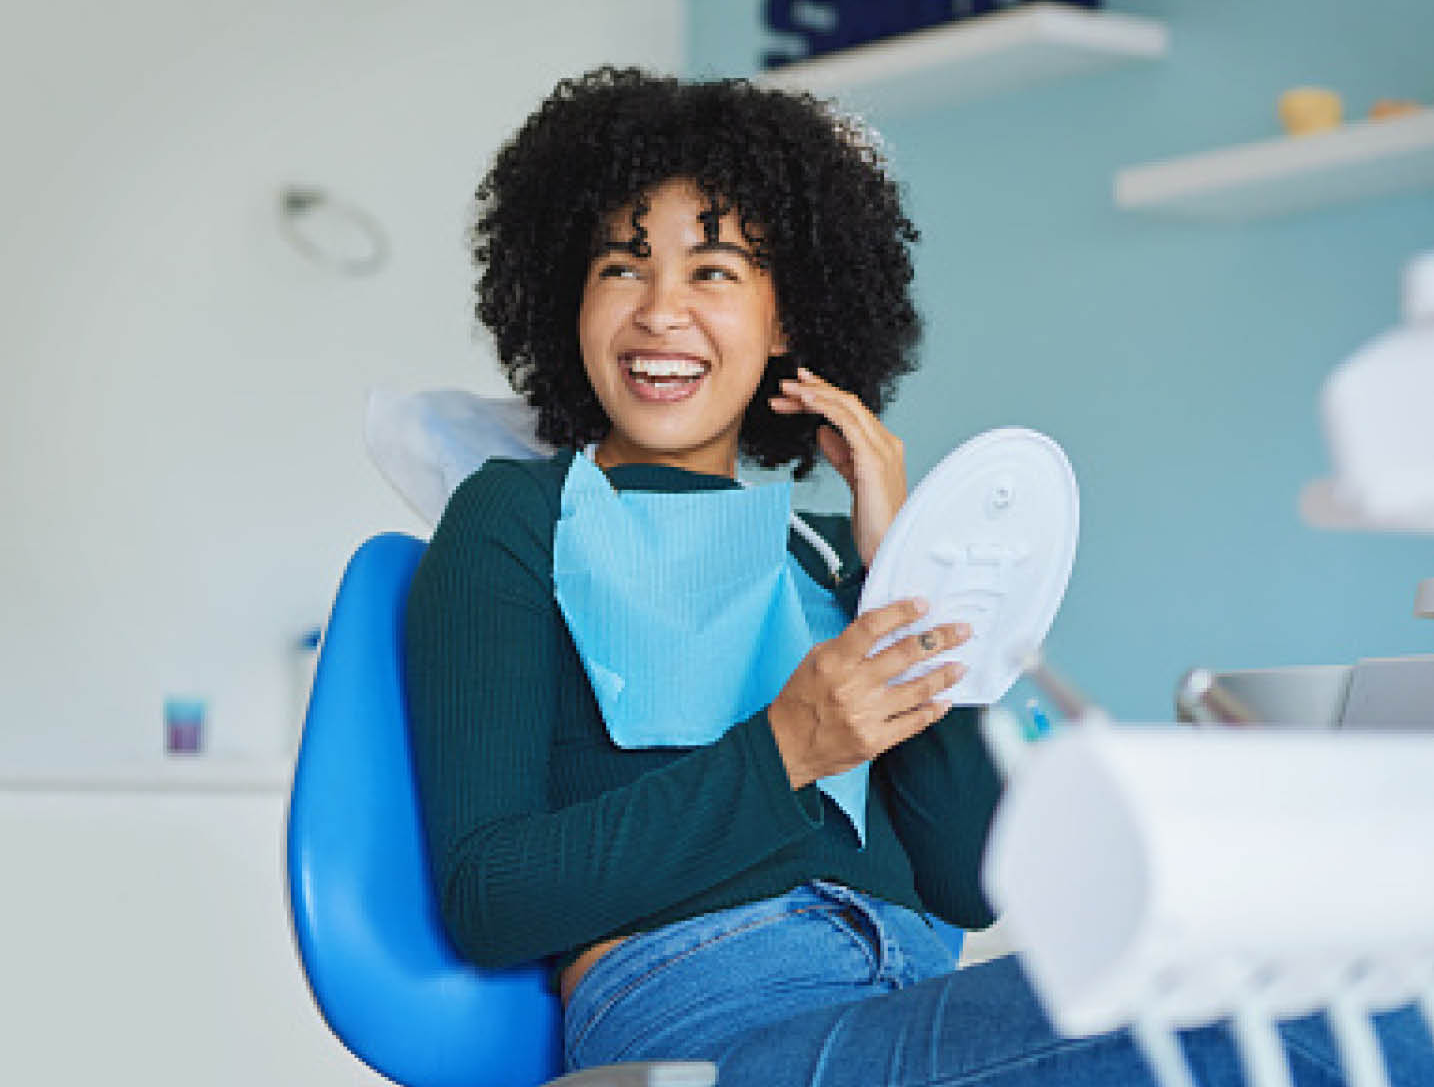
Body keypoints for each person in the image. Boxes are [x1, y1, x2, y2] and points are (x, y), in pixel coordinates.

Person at [403, 67, 1430, 1087]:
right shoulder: (518, 517)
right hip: (709, 1015)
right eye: (621, 268)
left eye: (714, 272)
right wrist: (785, 747)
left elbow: (968, 878)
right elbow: (490, 896)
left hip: (906, 995)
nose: (660, 311)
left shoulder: (832, 557)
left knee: (1346, 997)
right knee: (1268, 1024)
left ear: (787, 320)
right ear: (567, 300)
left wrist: (906, 570)